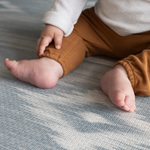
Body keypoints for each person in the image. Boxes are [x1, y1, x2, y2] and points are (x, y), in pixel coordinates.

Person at [4, 0, 150, 112]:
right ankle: (50, 64)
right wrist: (58, 22)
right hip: (98, 25)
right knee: (67, 31)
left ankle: (126, 75)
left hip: (146, 38)